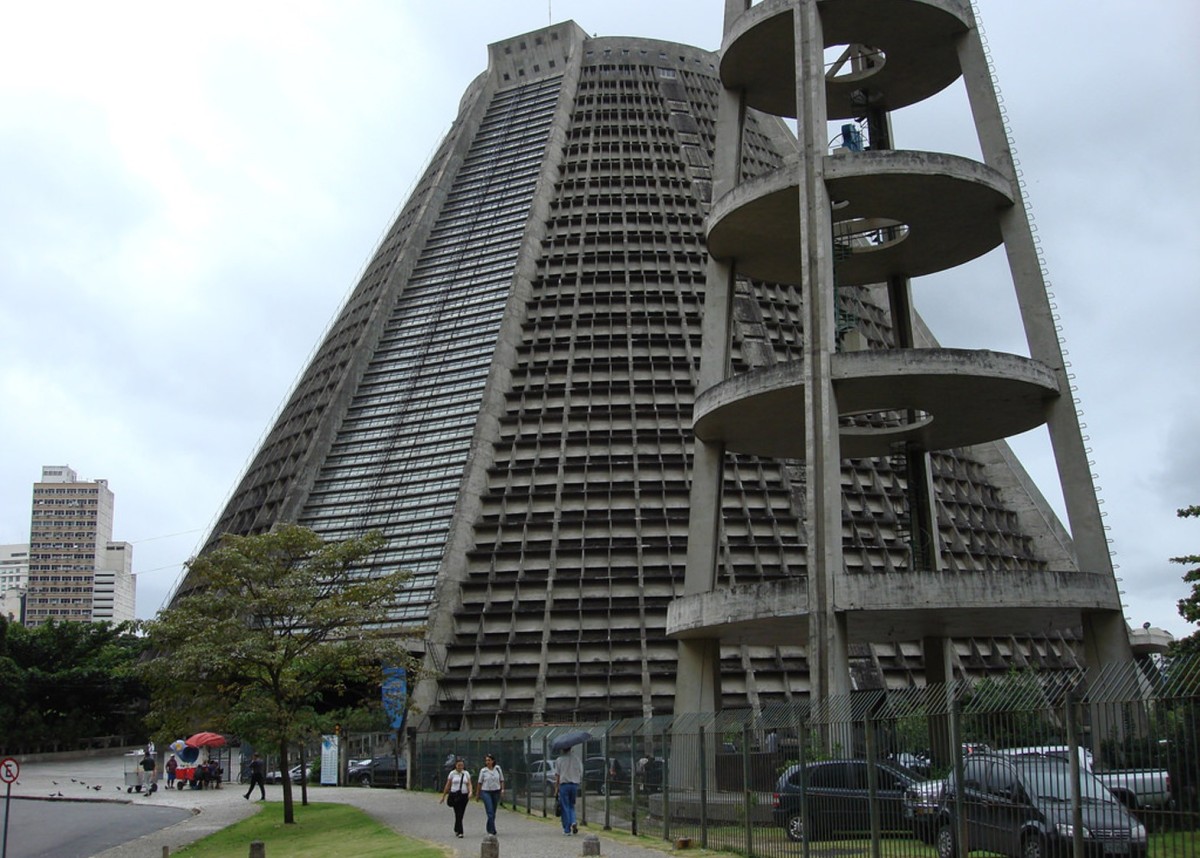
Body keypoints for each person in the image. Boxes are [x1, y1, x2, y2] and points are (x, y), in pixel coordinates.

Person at [554, 746, 583, 836]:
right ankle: (573, 821)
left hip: (564, 785)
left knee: (565, 806)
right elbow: (581, 771)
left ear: (562, 749)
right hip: (574, 785)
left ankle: (567, 829)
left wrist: (556, 788)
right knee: (571, 805)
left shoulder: (559, 760)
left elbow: (557, 776)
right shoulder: (576, 759)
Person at [439, 758, 472, 838]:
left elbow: (469, 784)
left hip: (464, 795)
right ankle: (460, 831)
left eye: (462, 765)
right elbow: (448, 785)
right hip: (455, 795)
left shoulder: (466, 773)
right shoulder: (452, 774)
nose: (460, 767)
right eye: (459, 765)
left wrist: (470, 792)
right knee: (458, 812)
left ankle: (457, 827)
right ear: (455, 766)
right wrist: (443, 796)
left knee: (461, 813)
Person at [475, 753, 505, 835]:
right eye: (486, 760)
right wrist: (478, 794)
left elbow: (501, 780)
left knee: (493, 812)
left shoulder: (498, 769)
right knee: (490, 811)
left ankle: (489, 827)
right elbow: (479, 783)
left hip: (496, 791)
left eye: (489, 760)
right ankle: (492, 830)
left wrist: (502, 789)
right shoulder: (483, 771)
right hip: (486, 791)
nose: (487, 762)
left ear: (493, 761)